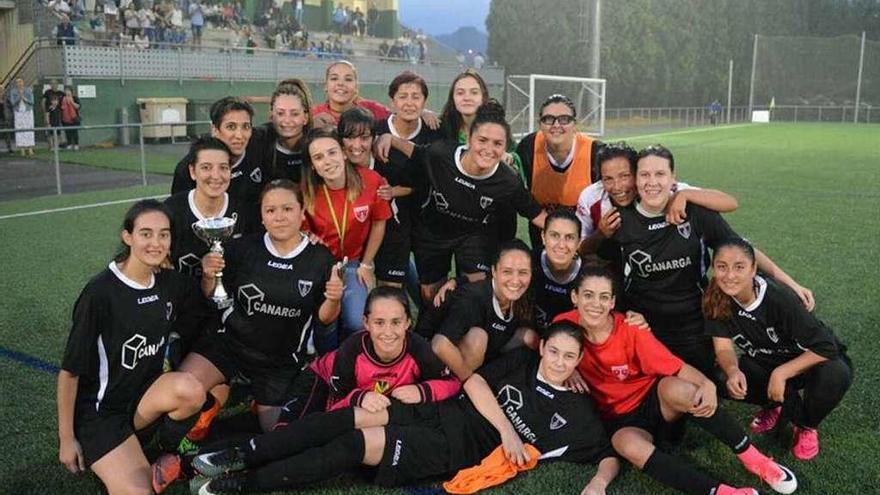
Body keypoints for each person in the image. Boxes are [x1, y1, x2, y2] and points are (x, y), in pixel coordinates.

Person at [190, 321, 620, 495]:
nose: (560, 362)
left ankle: (248, 484)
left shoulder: (577, 414)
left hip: (455, 445)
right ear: (543, 347)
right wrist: (509, 431)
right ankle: (241, 453)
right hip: (447, 411)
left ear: (579, 360)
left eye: (569, 357)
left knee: (355, 444)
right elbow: (476, 382)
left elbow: (608, 454)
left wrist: (599, 484)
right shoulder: (524, 362)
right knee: (348, 416)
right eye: (555, 351)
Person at [555, 266, 798, 495]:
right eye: (588, 295)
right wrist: (570, 369)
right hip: (622, 422)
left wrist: (707, 384)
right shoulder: (562, 328)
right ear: (575, 297)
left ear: (612, 302)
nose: (595, 304)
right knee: (625, 445)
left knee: (679, 388)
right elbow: (545, 351)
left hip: (656, 403)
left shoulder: (631, 328)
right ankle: (721, 491)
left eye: (603, 296)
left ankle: (757, 461)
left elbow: (676, 366)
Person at [598, 145, 813, 374]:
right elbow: (605, 270)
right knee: (662, 397)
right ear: (636, 180)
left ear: (673, 179)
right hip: (645, 324)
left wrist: (791, 283)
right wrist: (622, 314)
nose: (652, 182)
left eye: (660, 174)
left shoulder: (695, 212)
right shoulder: (620, 221)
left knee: (704, 395)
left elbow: (742, 250)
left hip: (694, 323)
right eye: (644, 175)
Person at [57, 200, 209, 495]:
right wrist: (66, 438)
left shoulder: (169, 283)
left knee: (190, 389)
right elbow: (69, 373)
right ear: (128, 237)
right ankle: (120, 455)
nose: (156, 243)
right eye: (146, 234)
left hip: (143, 402)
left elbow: (201, 305)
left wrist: (209, 274)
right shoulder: (100, 293)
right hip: (103, 414)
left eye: (163, 235)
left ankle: (164, 450)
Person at [176, 179, 344, 434]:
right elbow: (213, 296)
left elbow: (325, 319)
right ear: (262, 217)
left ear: (302, 212)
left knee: (278, 436)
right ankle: (214, 400)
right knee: (181, 390)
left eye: (287, 209)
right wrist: (209, 275)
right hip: (230, 343)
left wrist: (334, 299)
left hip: (278, 361)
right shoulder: (241, 248)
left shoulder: (320, 258)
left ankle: (242, 402)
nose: (279, 217)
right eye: (270, 210)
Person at [380, 100, 546, 304]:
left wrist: (571, 239)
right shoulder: (442, 154)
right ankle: (431, 328)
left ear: (505, 147)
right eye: (482, 140)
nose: (488, 149)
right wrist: (391, 138)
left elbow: (536, 213)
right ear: (469, 139)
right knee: (430, 296)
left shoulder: (508, 180)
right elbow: (416, 151)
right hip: (434, 232)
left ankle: (465, 325)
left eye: (497, 144)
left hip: (474, 235)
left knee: (475, 292)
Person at [703, 237, 852, 461]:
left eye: (739, 267)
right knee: (720, 376)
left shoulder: (779, 298)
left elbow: (825, 347)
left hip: (809, 361)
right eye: (722, 267)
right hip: (766, 361)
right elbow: (723, 348)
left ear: (754, 269)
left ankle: (806, 425)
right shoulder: (715, 297)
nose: (730, 275)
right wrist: (733, 370)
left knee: (836, 373)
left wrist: (781, 373)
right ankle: (774, 404)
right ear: (714, 268)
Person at [273, 286, 461, 428]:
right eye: (379, 323)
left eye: (396, 322)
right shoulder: (351, 349)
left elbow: (453, 383)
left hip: (368, 403)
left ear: (408, 323)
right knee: (292, 431)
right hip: (321, 381)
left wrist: (422, 391)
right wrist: (359, 397)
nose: (388, 332)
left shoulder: (419, 348)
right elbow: (335, 405)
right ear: (366, 323)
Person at [301, 126, 392, 349]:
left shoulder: (371, 181)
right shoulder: (306, 190)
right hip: (319, 265)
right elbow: (301, 230)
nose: (327, 161)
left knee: (355, 321)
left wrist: (366, 263)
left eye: (332, 152)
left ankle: (348, 358)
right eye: (319, 157)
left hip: (352, 263)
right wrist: (308, 235)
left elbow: (379, 223)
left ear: (343, 152)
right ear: (313, 165)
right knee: (323, 319)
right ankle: (325, 361)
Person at [575, 141, 738, 256]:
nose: (617, 186)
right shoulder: (591, 197)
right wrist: (600, 234)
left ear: (637, 174)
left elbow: (730, 203)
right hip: (612, 267)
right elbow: (578, 249)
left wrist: (684, 195)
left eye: (625, 176)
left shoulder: (656, 189)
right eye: (608, 179)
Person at [419, 239, 539, 382]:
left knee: (528, 336)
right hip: (426, 357)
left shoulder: (523, 294)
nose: (515, 280)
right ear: (494, 271)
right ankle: (458, 390)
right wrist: (471, 382)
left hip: (483, 346)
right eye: (507, 271)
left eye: (523, 272)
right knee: (477, 338)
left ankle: (497, 378)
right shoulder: (473, 298)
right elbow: (440, 345)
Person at [372, 71, 441, 289]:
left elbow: (435, 176)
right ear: (392, 101)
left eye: (416, 97)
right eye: (403, 96)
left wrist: (400, 190)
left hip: (427, 217)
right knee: (390, 288)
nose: (409, 103)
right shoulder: (376, 129)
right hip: (392, 220)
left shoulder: (434, 130)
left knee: (431, 293)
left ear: (424, 101)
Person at [517, 94, 601, 250]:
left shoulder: (595, 152)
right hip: (542, 241)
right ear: (540, 124)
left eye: (564, 119)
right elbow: (516, 194)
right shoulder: (528, 147)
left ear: (574, 124)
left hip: (586, 245)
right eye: (548, 119)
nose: (556, 125)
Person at [171, 97, 269, 228]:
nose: (239, 135)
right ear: (215, 130)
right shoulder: (187, 169)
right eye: (231, 127)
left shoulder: (260, 145)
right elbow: (180, 213)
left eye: (245, 127)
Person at [165, 137, 252, 277]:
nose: (216, 176)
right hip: (183, 296)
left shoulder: (243, 210)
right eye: (206, 167)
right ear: (192, 171)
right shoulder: (171, 209)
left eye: (223, 168)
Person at [311, 60, 391, 127]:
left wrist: (388, 137)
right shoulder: (313, 115)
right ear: (326, 86)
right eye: (334, 78)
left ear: (356, 87)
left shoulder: (373, 110)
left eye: (348, 79)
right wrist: (309, 127)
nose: (341, 83)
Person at [263, 78, 312, 185]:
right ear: (271, 115)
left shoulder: (315, 148)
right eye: (280, 113)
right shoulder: (261, 149)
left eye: (294, 114)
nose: (287, 120)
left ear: (305, 118)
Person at [8, 78, 35, 156]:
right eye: (17, 82)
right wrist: (19, 96)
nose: (19, 83)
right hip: (18, 112)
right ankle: (22, 149)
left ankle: (30, 148)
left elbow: (32, 102)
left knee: (29, 129)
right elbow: (13, 103)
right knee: (20, 129)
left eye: (20, 81)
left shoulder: (28, 90)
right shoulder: (13, 92)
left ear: (23, 82)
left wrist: (25, 98)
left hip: (28, 111)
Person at [60, 86, 81, 150]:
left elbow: (78, 106)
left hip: (74, 118)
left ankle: (76, 144)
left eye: (68, 90)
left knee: (75, 132)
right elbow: (61, 107)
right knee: (68, 132)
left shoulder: (75, 98)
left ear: (71, 92)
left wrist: (71, 102)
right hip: (65, 119)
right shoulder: (62, 99)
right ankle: (69, 144)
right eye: (66, 90)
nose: (67, 92)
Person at [0, 86, 13, 154]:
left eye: (2, 90)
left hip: (5, 119)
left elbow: (11, 108)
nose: (1, 91)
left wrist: (9, 117)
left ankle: (10, 149)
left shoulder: (7, 99)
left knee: (7, 135)